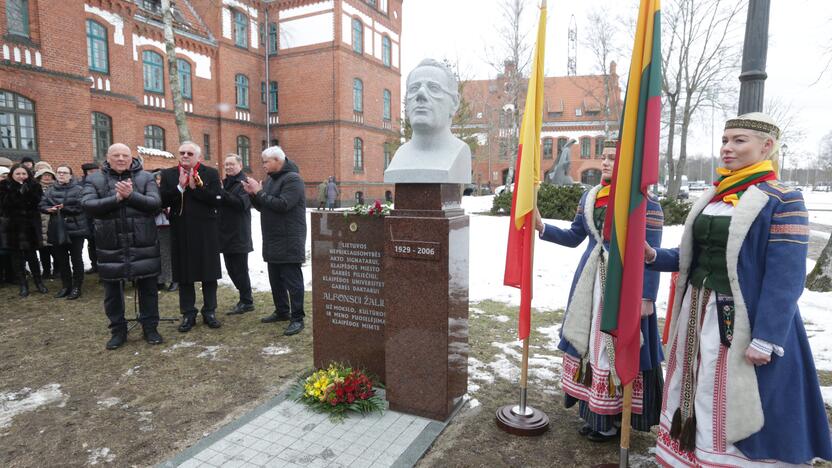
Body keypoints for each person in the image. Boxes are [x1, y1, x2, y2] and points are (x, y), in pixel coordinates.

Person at [647, 113, 832, 466]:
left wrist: (767, 336)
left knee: (733, 396)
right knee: (695, 386)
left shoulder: (783, 199)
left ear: (767, 146)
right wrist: (655, 255)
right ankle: (693, 453)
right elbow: (694, 255)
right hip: (698, 311)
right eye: (725, 140)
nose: (727, 148)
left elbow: (787, 276)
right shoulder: (715, 194)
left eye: (739, 140)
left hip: (745, 320)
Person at [534, 139, 665, 442]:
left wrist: (647, 297)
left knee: (615, 350)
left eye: (612, 158)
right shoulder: (591, 196)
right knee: (590, 347)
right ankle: (596, 415)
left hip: (625, 288)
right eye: (604, 157)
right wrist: (543, 228)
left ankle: (618, 418)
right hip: (589, 284)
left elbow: (651, 252)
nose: (605, 163)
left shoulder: (645, 201)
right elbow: (575, 236)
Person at [82, 143, 163, 349]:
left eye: (125, 155)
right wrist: (116, 198)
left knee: (148, 289)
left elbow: (155, 204)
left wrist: (131, 196)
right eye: (116, 155)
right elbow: (88, 206)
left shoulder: (146, 177)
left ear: (131, 158)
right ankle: (118, 331)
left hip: (142, 241)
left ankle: (150, 327)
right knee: (112, 293)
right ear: (107, 158)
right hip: (110, 243)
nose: (120, 158)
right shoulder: (94, 179)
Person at [242, 146, 306, 336]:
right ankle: (282, 311)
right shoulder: (271, 180)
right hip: (272, 237)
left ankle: (297, 318)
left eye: (266, 161)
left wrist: (259, 192)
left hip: (289, 237)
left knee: (292, 281)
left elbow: (283, 205)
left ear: (278, 160)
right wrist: (252, 194)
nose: (263, 165)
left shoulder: (293, 179)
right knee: (275, 279)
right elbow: (264, 207)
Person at [159, 141, 222, 332]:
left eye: (189, 153)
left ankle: (209, 311)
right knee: (184, 274)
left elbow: (216, 199)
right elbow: (162, 199)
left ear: (198, 157)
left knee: (208, 272)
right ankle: (188, 313)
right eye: (182, 152)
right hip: (181, 230)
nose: (185, 155)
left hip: (206, 230)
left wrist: (197, 189)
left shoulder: (210, 173)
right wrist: (179, 187)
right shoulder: (169, 174)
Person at [383, 58, 471, 184]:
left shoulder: (459, 153)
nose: (420, 94)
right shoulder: (400, 156)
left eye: (433, 88)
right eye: (414, 88)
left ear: (455, 103)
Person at [40, 165, 88, 299]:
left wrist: (64, 208)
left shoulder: (79, 189)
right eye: (59, 172)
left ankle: (77, 287)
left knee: (76, 258)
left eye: (64, 172)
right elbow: (41, 204)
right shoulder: (50, 190)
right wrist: (48, 209)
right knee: (62, 259)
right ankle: (66, 286)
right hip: (57, 228)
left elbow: (82, 206)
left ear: (71, 175)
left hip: (75, 229)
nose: (61, 175)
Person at [0, 164, 47, 296]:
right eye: (18, 174)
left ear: (28, 174)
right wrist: (16, 191)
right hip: (13, 227)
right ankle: (23, 284)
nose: (21, 176)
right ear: (12, 175)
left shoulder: (34, 185)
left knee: (32, 256)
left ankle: (39, 282)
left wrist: (26, 190)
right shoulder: (4, 186)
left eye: (23, 174)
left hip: (30, 226)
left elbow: (37, 202)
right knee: (17, 258)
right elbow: (4, 205)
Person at [219, 153, 254, 315]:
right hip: (225, 233)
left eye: (231, 164)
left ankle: (247, 301)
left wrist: (222, 193)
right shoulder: (225, 183)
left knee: (239, 269)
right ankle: (244, 298)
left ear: (240, 165)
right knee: (231, 269)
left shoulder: (244, 183)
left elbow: (241, 204)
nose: (228, 167)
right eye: (226, 164)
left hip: (239, 233)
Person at [152, 171, 174, 291]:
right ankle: (159, 280)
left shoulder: (170, 191)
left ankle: (173, 279)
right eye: (157, 179)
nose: (159, 182)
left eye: (161, 179)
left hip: (168, 225)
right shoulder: (152, 192)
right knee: (158, 254)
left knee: (168, 254)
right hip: (155, 225)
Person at [35, 167, 56, 280]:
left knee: (56, 248)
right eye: (44, 175)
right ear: (39, 177)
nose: (47, 177)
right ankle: (46, 270)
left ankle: (57, 269)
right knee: (43, 248)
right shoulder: (34, 189)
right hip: (40, 220)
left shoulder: (56, 188)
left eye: (49, 175)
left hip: (53, 220)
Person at [81, 162, 100, 274]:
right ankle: (94, 265)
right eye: (91, 172)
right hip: (87, 219)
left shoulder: (101, 182)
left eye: (95, 171)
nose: (94, 174)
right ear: (86, 173)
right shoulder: (81, 185)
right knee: (91, 244)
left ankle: (103, 267)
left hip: (100, 218)